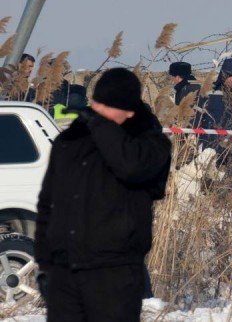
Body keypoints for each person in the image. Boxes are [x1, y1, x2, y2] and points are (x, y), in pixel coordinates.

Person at [34, 68, 172, 321]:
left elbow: (130, 167)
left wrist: (100, 124)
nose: (99, 112)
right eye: (99, 106)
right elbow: (49, 203)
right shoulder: (71, 142)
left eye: (108, 108)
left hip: (114, 270)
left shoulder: (149, 143)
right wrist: (45, 264)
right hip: (65, 270)